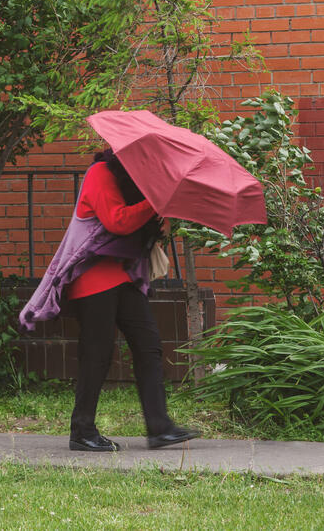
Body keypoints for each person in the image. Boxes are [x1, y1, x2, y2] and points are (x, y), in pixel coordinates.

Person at [19, 149, 200, 451]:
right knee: (97, 353)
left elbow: (141, 228)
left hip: (125, 276)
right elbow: (117, 221)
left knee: (149, 345)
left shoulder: (137, 184)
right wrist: (154, 203)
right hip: (93, 277)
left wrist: (161, 220)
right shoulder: (100, 173)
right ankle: (82, 431)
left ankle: (160, 428)